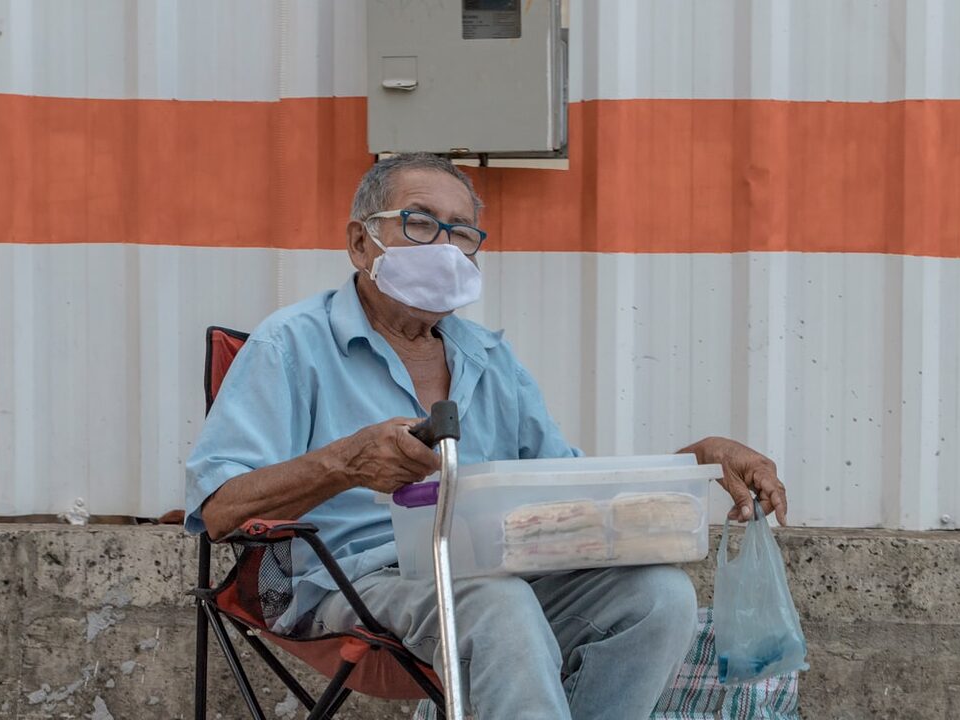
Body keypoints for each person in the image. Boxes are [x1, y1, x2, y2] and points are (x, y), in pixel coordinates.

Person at [185, 152, 788, 719]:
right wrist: (344, 463)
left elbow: (573, 492)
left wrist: (698, 462)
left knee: (659, 597)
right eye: (419, 223)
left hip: (496, 571)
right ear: (358, 242)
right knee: (495, 606)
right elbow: (218, 510)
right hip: (346, 580)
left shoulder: (490, 359)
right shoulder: (289, 344)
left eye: (462, 233)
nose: (445, 246)